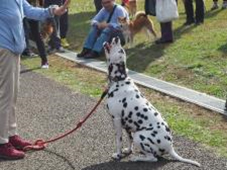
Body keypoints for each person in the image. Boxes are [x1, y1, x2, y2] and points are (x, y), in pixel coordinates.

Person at [0, 0, 69, 160]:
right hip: (4, 48)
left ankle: (11, 134)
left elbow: (30, 11)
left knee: (12, 94)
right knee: (5, 96)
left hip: (14, 49)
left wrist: (54, 11)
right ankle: (2, 142)